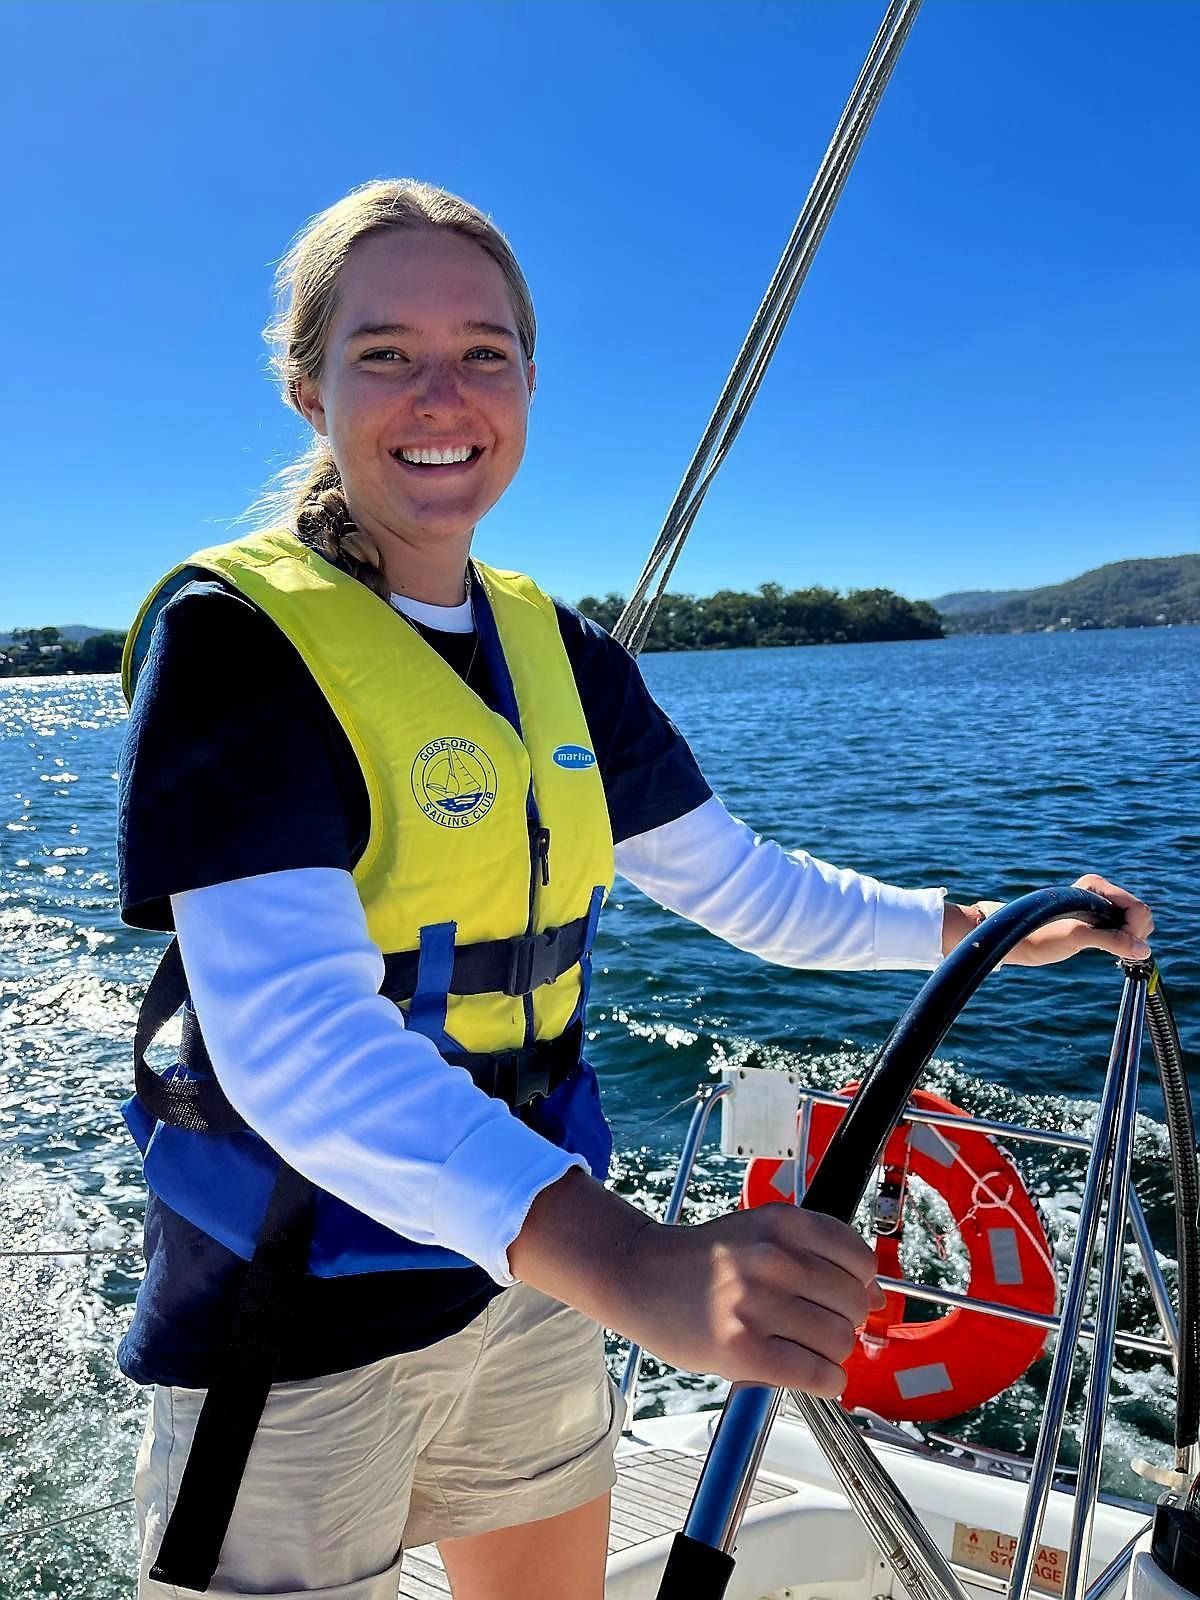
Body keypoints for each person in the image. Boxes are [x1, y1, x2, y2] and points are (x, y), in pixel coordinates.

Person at [117, 179, 1154, 1600]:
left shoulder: (565, 651)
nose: (443, 392)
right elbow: (296, 1044)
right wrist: (639, 1267)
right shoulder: (235, 641)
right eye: (384, 352)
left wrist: (976, 937)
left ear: (531, 383)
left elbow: (742, 886)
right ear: (308, 387)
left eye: (485, 351)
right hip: (295, 1316)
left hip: (521, 1287)